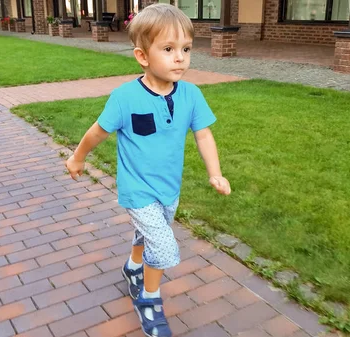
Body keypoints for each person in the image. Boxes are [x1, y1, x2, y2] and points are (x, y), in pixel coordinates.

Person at [65, 3, 231, 336]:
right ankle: (149, 299)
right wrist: (78, 157)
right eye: (169, 49)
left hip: (169, 188)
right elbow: (97, 131)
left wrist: (215, 172)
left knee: (151, 234)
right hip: (137, 190)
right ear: (143, 56)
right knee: (165, 248)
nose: (180, 58)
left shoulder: (191, 95)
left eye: (185, 49)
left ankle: (132, 267)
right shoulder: (124, 98)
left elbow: (203, 133)